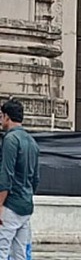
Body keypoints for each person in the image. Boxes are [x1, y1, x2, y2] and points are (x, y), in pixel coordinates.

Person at [0, 100, 39, 260]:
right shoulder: (32, 142)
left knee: (2, 250)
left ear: (7, 117)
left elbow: (6, 175)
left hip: (10, 204)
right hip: (25, 205)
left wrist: (0, 205)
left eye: (1, 116)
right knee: (20, 253)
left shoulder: (10, 140)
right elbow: (35, 178)